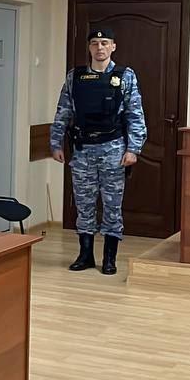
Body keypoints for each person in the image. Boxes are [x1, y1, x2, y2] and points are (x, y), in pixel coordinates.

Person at [49, 26, 146, 276]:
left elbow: (135, 114)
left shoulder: (125, 76)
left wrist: (133, 149)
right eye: (94, 43)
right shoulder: (75, 77)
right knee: (84, 204)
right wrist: (56, 143)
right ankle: (85, 255)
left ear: (113, 47)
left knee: (112, 205)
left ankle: (109, 258)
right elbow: (63, 111)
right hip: (83, 150)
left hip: (113, 149)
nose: (99, 48)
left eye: (104, 43)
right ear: (89, 48)